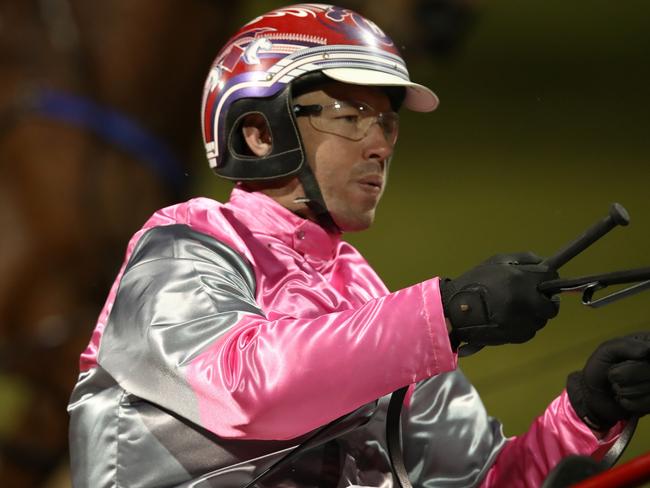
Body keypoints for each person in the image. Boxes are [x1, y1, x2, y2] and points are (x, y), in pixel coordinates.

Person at [67, 4, 650, 487]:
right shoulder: (183, 244)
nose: (380, 145)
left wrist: (588, 412)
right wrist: (449, 314)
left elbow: (482, 478)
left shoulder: (362, 293)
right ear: (259, 130)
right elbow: (246, 388)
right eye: (352, 117)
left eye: (387, 123)